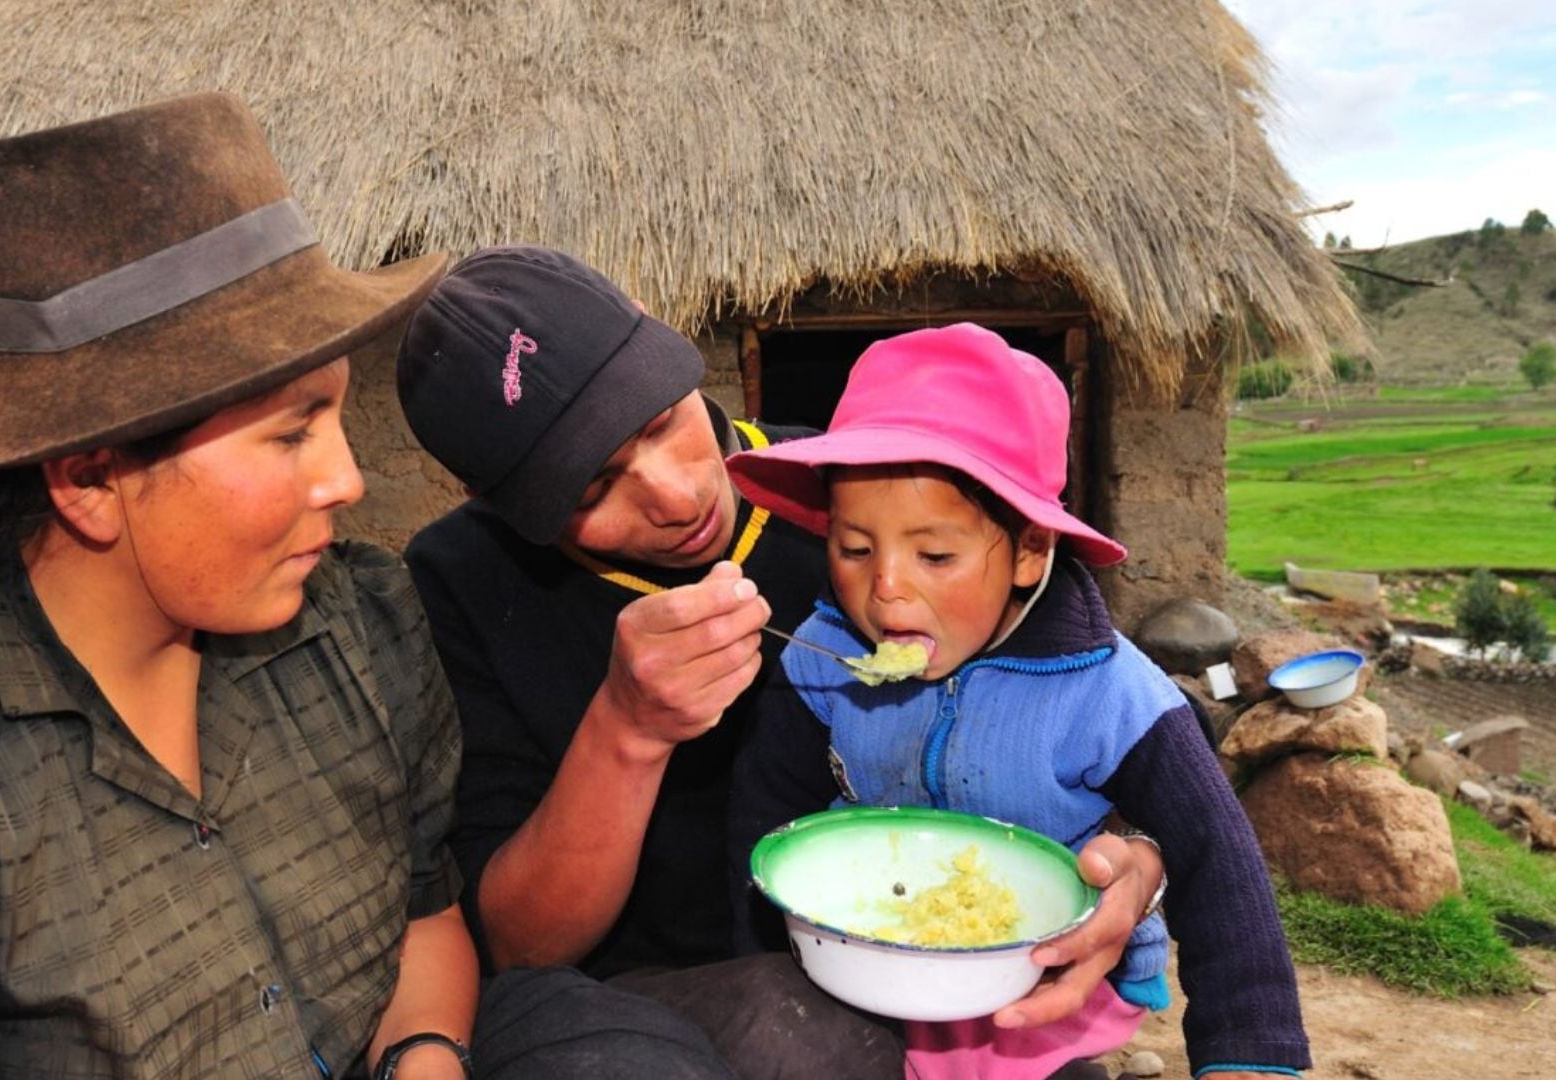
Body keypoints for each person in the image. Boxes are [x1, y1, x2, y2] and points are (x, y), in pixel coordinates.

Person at [0, 94, 730, 1080]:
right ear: (91, 479)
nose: (346, 479)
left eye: (334, 417)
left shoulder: (358, 623)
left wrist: (427, 1052)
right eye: (290, 433)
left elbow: (425, 910)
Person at [395, 246, 1169, 1076]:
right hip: (645, 999)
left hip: (928, 962)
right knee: (809, 1035)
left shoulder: (864, 495)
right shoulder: (463, 583)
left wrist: (1134, 861)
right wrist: (627, 731)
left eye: (662, 421)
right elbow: (521, 946)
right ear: (504, 510)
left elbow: (1086, 706)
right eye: (591, 491)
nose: (677, 497)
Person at [723, 323, 1312, 1079]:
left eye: (935, 554)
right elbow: (765, 813)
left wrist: (1248, 1051)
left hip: (1037, 990)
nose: (886, 586)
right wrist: (764, 961)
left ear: (1031, 551)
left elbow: (1215, 854)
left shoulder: (1110, 693)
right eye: (854, 548)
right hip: (857, 978)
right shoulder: (820, 658)